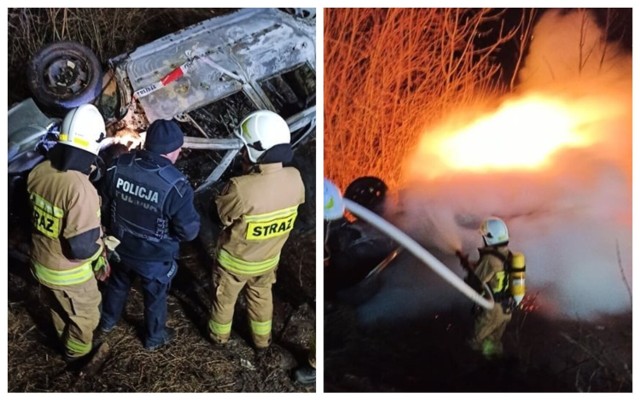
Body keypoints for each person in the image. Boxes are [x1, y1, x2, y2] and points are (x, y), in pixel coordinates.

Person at [98, 118, 200, 351]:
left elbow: (103, 202)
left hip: (119, 246)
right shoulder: (177, 186)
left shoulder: (117, 165)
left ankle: (107, 321)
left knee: (117, 284)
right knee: (155, 296)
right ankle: (154, 337)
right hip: (154, 257)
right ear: (173, 150)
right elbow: (189, 231)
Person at [208, 110, 305, 353]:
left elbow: (221, 216)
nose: (242, 152)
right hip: (268, 261)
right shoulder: (295, 178)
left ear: (256, 149)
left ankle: (218, 338)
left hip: (235, 263)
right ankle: (262, 341)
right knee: (262, 297)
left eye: (245, 147)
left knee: (225, 300)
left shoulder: (241, 188)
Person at [26, 104, 109, 363]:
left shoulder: (38, 171)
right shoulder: (80, 190)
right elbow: (81, 248)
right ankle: (77, 356)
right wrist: (102, 249)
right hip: (68, 274)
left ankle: (64, 338)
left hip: (40, 262)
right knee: (86, 316)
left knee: (59, 309)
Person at [461, 216, 517, 359]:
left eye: (484, 237)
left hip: (493, 310)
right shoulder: (507, 255)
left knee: (475, 341)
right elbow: (494, 271)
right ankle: (495, 367)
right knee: (492, 341)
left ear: (489, 239)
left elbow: (476, 283)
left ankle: (478, 370)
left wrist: (468, 273)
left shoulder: (489, 259)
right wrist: (470, 265)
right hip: (506, 309)